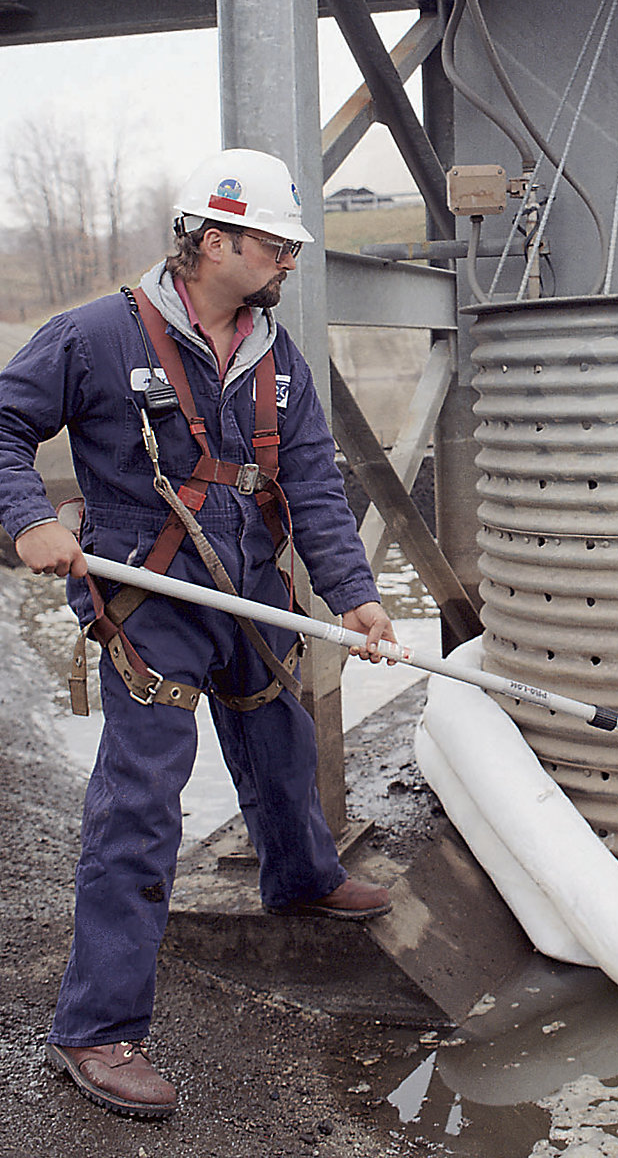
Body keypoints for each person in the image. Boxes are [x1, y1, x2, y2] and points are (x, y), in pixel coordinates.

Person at [0, 148, 399, 1119]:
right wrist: (27, 521)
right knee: (140, 806)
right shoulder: (95, 335)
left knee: (278, 735)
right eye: (274, 243)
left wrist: (354, 596)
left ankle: (299, 877)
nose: (289, 261)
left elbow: (311, 481)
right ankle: (95, 1031)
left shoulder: (276, 357)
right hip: (152, 602)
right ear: (211, 239)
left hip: (251, 592)